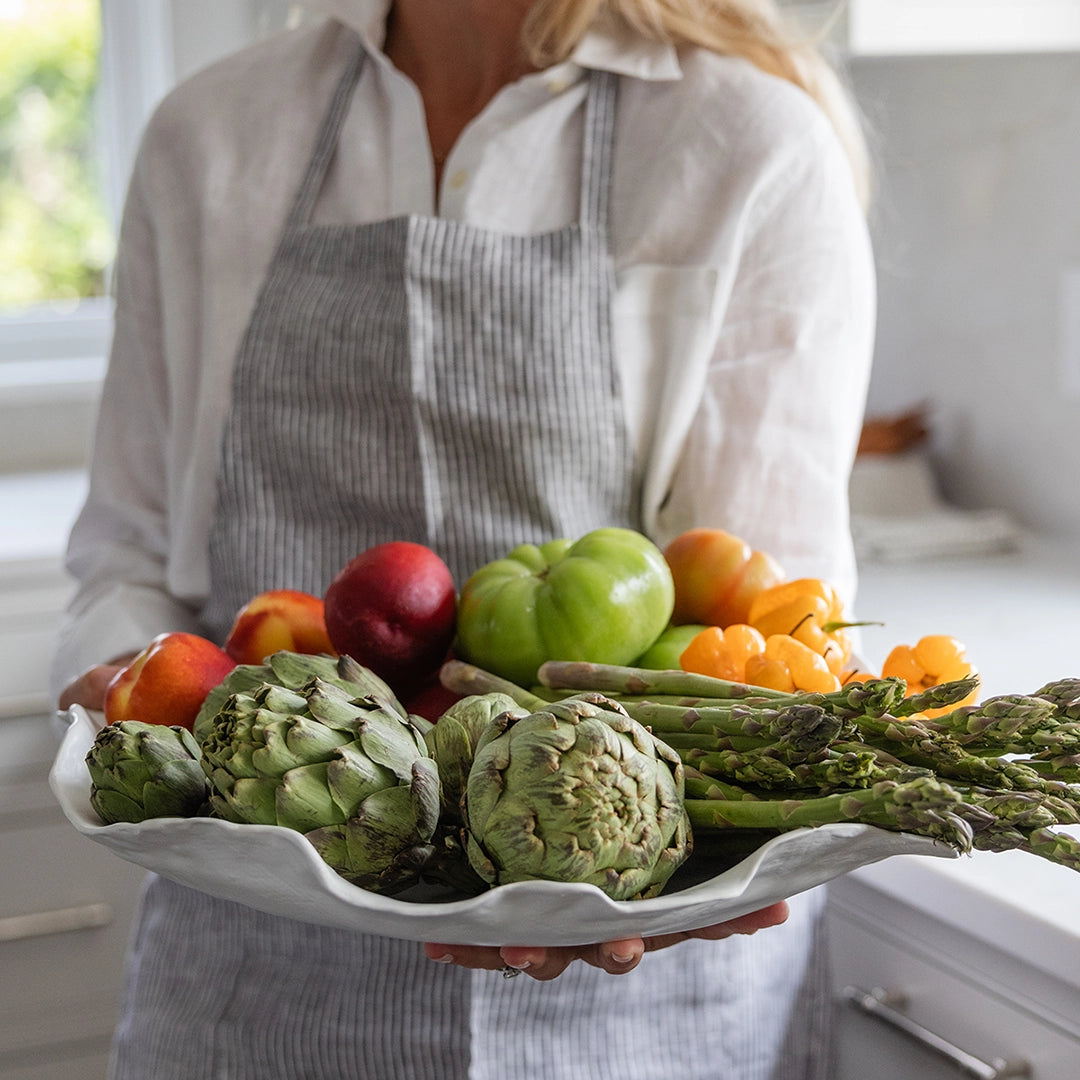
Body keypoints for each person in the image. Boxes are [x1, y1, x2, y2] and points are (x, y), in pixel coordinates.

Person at [53, 0, 876, 1076]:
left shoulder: (749, 146)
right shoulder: (211, 135)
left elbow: (773, 636)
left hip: (636, 981)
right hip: (257, 962)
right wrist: (136, 698)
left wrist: (699, 861)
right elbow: (126, 554)